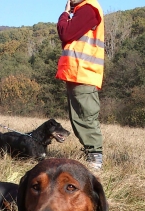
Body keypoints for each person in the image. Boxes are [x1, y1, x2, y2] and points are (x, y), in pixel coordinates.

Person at [56, 0, 105, 170]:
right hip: (77, 72)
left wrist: (64, 14)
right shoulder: (83, 10)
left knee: (86, 116)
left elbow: (66, 33)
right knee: (79, 117)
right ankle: (91, 155)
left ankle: (95, 160)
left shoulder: (88, 9)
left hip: (83, 72)